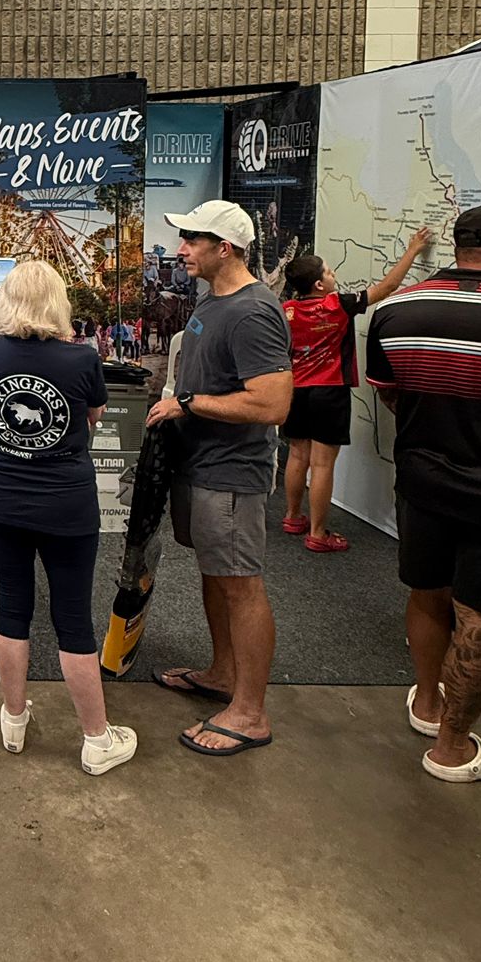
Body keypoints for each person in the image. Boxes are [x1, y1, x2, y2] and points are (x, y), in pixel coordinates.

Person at [366, 201, 481, 784]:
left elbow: (391, 394)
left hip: (423, 482)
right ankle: (452, 749)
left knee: (427, 592)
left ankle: (427, 705)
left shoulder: (398, 309)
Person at [0, 259, 136, 774]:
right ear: (57, 304)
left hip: (1, 497)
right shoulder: (82, 359)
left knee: (12, 608)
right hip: (66, 504)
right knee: (73, 619)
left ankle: (14, 720)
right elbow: (92, 416)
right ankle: (95, 739)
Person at [145, 200, 293, 757]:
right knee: (216, 573)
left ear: (223, 248)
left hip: (230, 474)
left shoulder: (254, 311)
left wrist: (187, 403)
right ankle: (222, 674)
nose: (181, 250)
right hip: (200, 465)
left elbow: (272, 403)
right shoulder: (215, 301)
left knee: (240, 583)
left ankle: (250, 714)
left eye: (191, 240)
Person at [279, 227, 433, 553]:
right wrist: (413, 250)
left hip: (295, 391)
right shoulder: (339, 305)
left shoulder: (287, 310)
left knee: (296, 455)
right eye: (329, 272)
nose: (334, 275)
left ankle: (293, 517)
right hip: (329, 392)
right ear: (320, 285)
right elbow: (388, 287)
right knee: (322, 464)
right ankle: (318, 534)